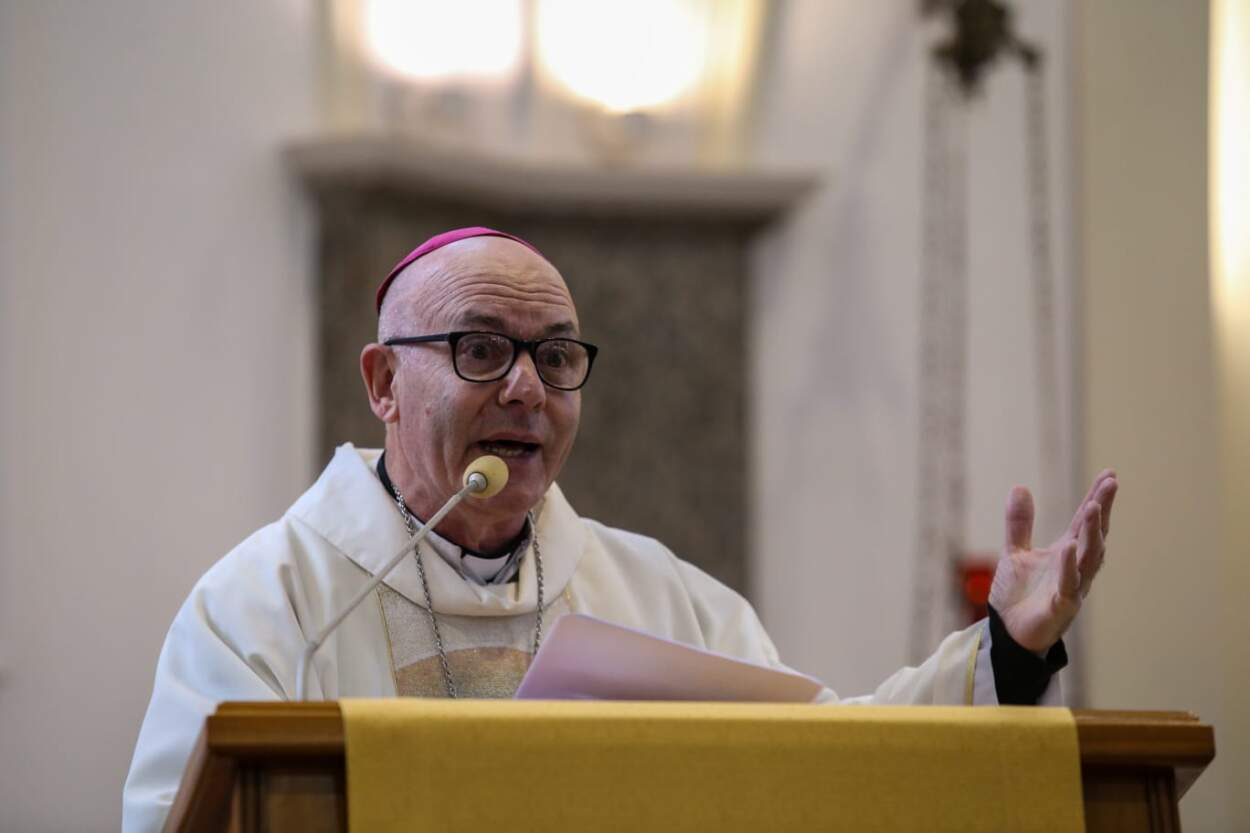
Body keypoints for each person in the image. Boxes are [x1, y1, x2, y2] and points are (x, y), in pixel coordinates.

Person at [122, 227, 1118, 832]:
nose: (525, 386)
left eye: (554, 357)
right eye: (480, 348)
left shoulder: (661, 594)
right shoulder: (268, 603)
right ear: (383, 381)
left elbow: (840, 762)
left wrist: (1006, 648)